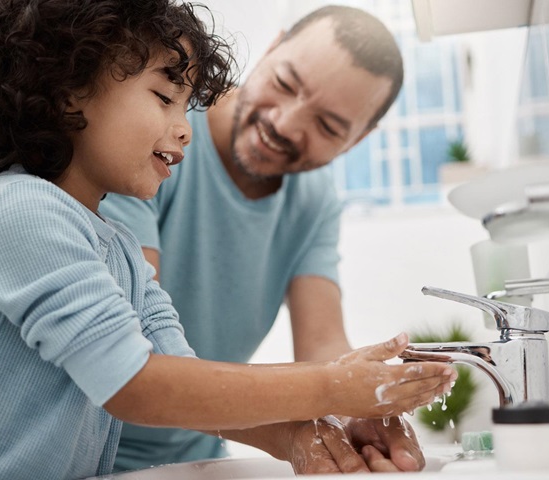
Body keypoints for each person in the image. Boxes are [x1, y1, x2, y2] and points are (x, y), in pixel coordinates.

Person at [0, 1, 457, 478]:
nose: (186, 129)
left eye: (186, 106)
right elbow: (135, 381)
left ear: (358, 139)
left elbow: (173, 361)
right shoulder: (21, 212)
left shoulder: (115, 243)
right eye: (165, 99)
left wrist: (294, 436)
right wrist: (335, 387)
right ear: (70, 90)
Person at [99, 4, 430, 475]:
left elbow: (322, 341)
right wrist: (326, 396)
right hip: (89, 453)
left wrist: (358, 409)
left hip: (197, 460)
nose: (286, 123)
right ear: (271, 49)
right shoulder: (157, 139)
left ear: (356, 141)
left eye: (329, 126)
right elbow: (139, 345)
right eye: (286, 84)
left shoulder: (313, 199)